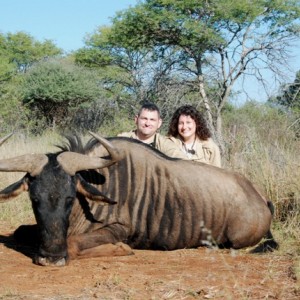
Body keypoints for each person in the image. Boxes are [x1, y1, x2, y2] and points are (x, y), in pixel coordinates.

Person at [118, 103, 188, 158]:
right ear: (136, 119)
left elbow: (183, 162)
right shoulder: (122, 139)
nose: (147, 123)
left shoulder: (164, 144)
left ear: (159, 123)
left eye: (152, 120)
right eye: (144, 119)